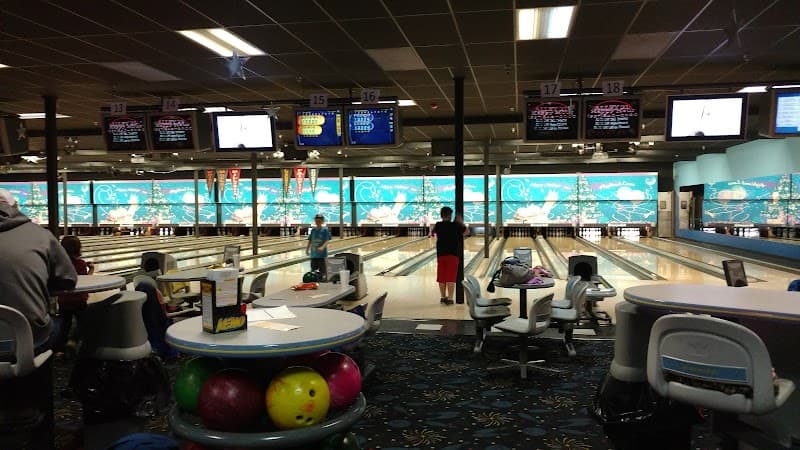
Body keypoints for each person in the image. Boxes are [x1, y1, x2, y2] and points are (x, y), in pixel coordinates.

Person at [0, 188, 77, 449]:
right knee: (53, 324)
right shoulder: (39, 235)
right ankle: (43, 435)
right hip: (29, 342)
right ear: (17, 207)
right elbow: (67, 280)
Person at [54, 235, 94, 353]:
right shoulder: (81, 263)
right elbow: (85, 282)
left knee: (64, 325)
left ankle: (60, 349)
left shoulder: (59, 265)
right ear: (79, 248)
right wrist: (91, 269)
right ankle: (74, 341)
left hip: (64, 301)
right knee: (83, 322)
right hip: (79, 300)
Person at [432, 206, 469, 305]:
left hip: (441, 255)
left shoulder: (438, 225)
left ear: (441, 215)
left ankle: (443, 297)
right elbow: (467, 232)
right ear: (450, 215)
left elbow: (432, 232)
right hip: (453, 255)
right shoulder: (456, 225)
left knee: (441, 277)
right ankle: (450, 298)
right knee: (450, 277)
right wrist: (461, 222)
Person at [306, 213, 332, 280]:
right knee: (313, 271)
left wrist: (322, 247)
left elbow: (327, 240)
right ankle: (314, 281)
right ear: (315, 221)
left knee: (323, 271)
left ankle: (323, 281)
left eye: (319, 221)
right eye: (316, 221)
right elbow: (310, 240)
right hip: (313, 255)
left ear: (322, 222)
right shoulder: (313, 230)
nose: (318, 222)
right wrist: (307, 249)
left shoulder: (325, 230)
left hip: (322, 256)